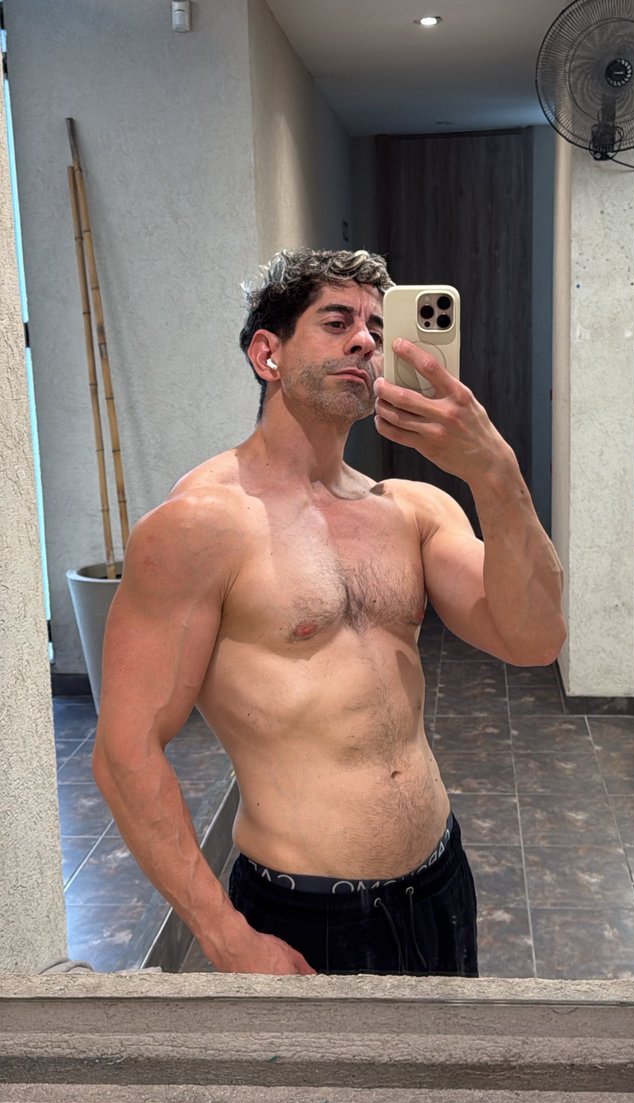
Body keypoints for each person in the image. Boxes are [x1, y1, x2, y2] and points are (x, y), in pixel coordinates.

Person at [93, 248, 565, 976]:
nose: (366, 342)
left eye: (376, 326)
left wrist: (494, 471)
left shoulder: (411, 509)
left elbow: (534, 639)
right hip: (302, 910)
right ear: (268, 354)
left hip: (440, 881)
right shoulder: (200, 527)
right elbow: (124, 751)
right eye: (337, 322)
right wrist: (224, 935)